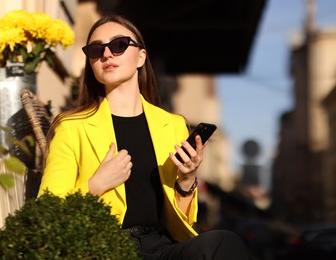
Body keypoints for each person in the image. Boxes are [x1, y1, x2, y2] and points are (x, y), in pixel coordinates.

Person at [38, 15, 252, 259]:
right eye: (96, 50)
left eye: (118, 45)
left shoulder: (172, 125)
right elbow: (47, 210)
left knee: (223, 242)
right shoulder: (72, 126)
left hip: (160, 248)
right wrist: (95, 186)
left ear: (141, 57)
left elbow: (182, 224)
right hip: (103, 248)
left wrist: (186, 181)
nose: (106, 54)